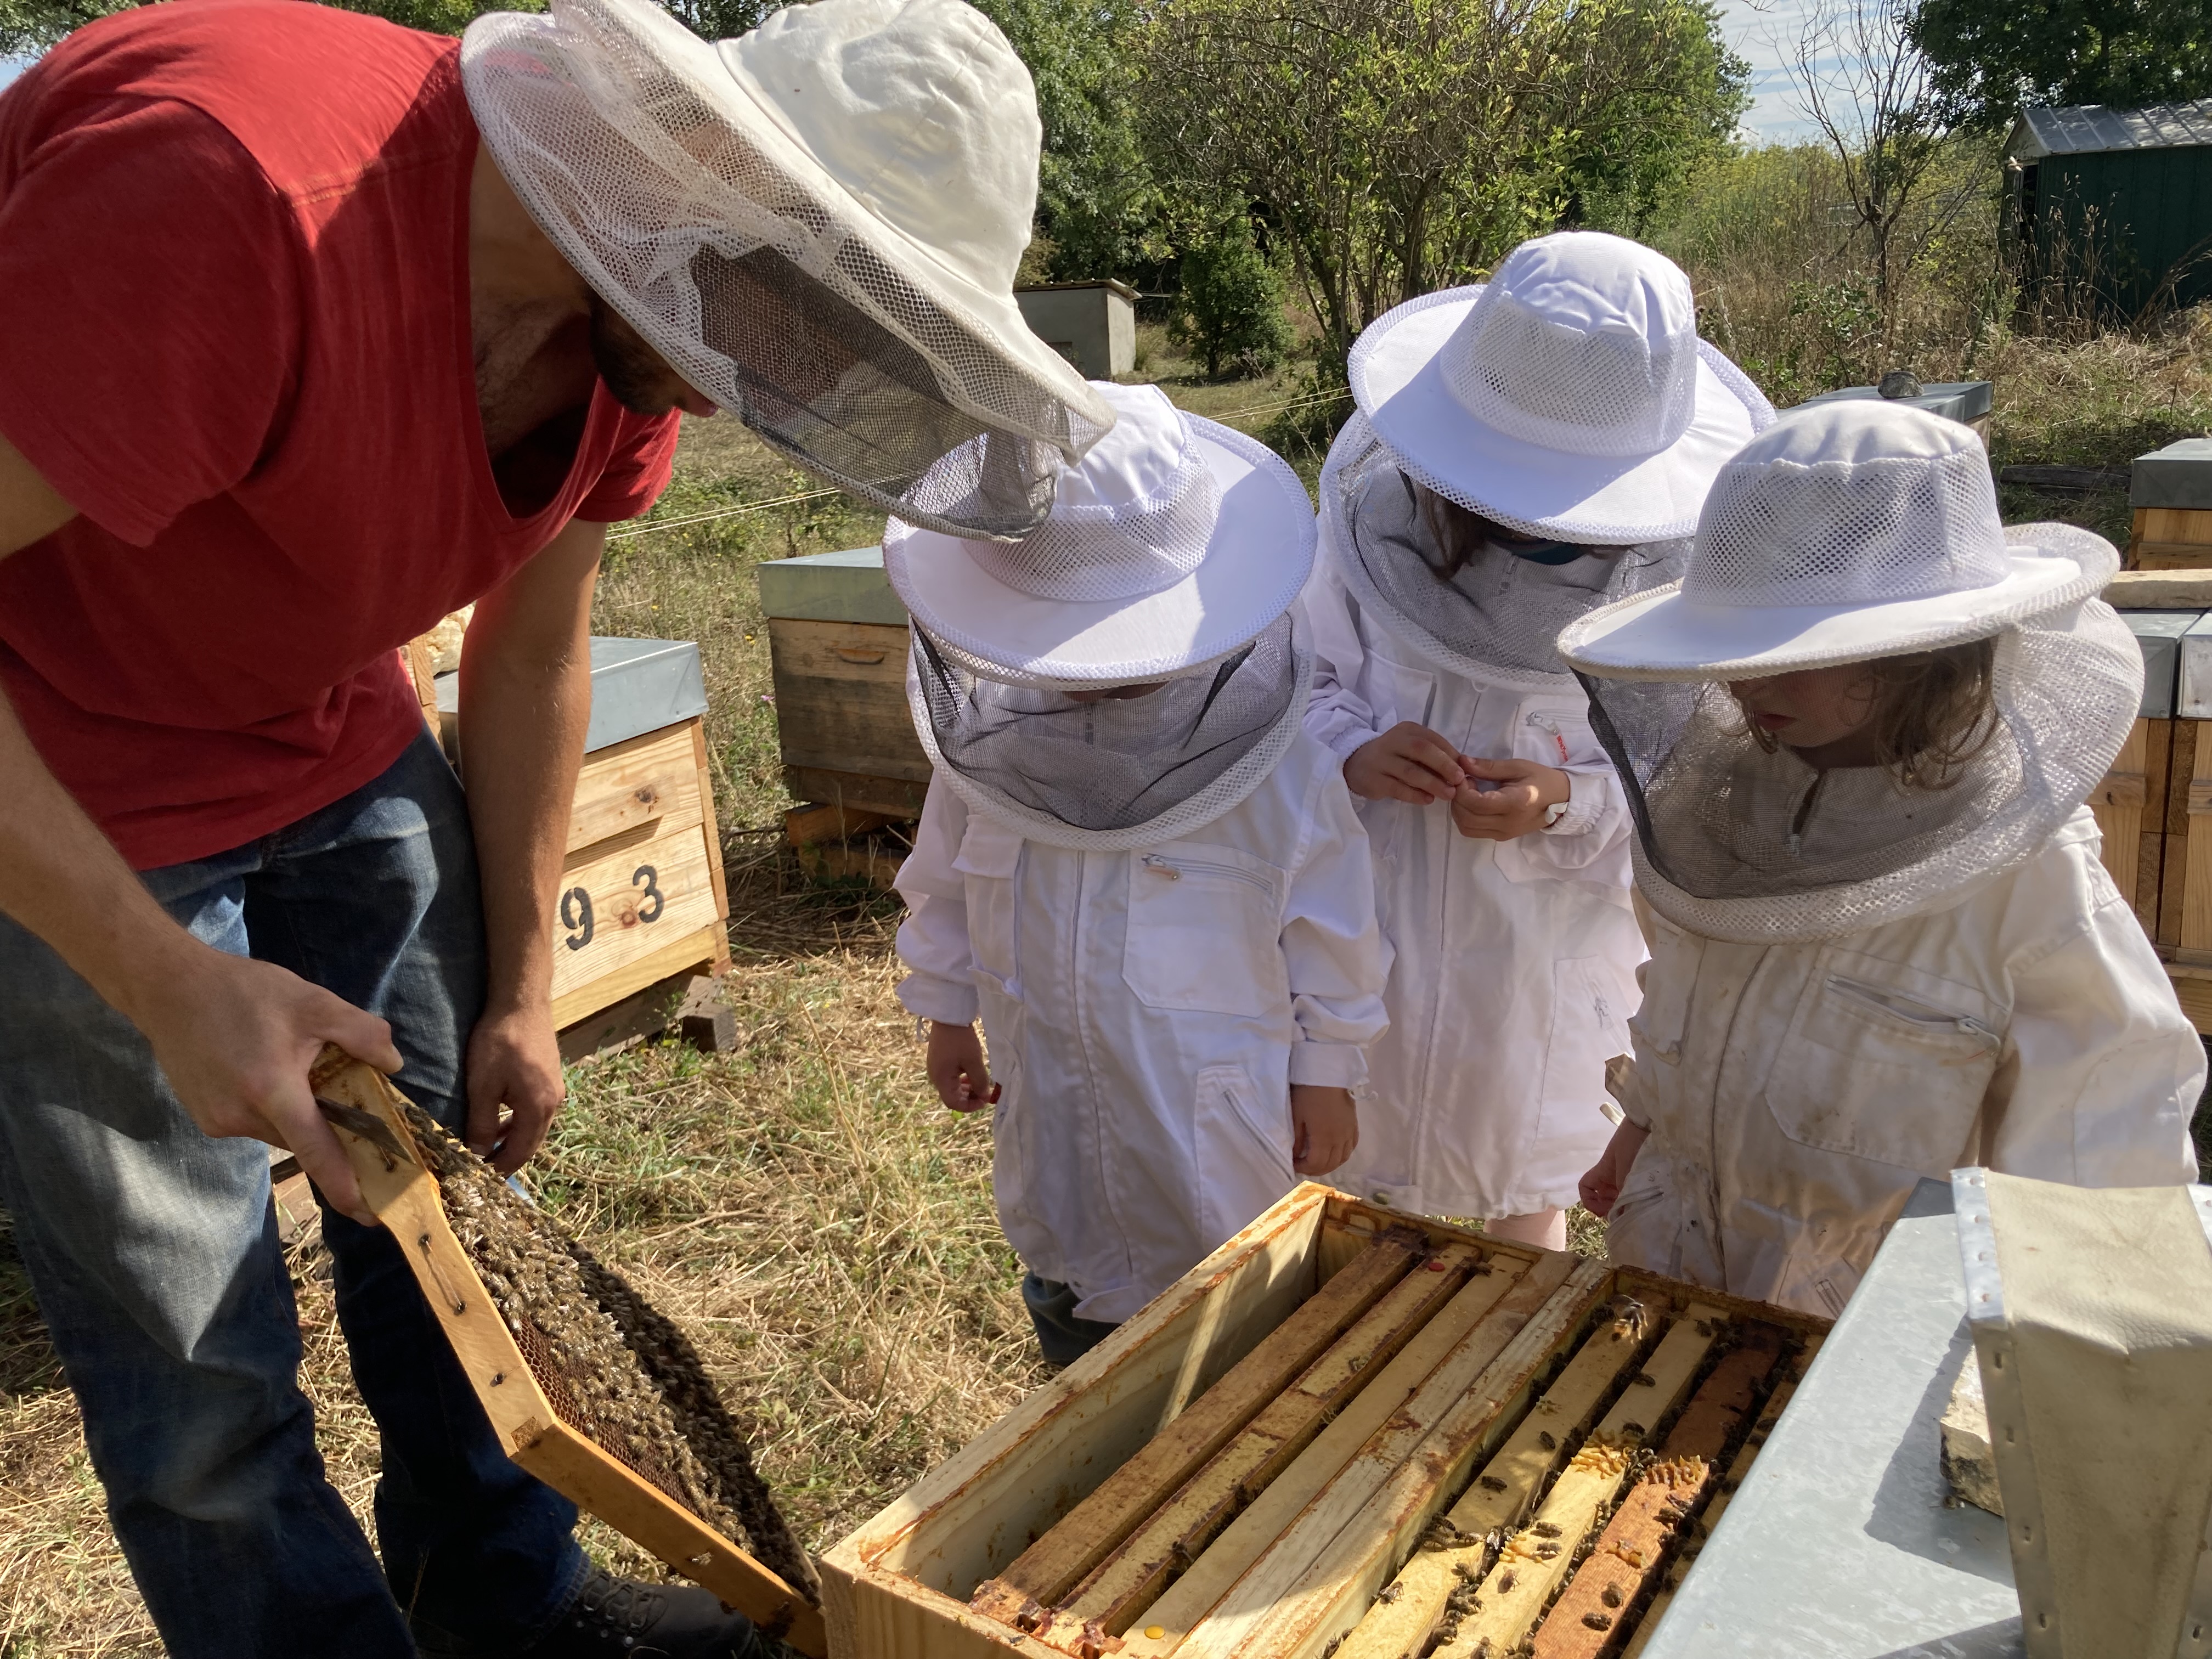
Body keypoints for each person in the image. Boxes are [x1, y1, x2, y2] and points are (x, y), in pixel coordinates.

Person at [0, 0, 1110, 1652]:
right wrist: (164, 980)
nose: (767, 386)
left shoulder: (642, 320)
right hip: (74, 774)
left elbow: (534, 649)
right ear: (698, 185)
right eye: (798, 314)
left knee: (455, 1238)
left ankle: (505, 1607)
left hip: (333, 744)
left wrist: (525, 983)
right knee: (194, 1356)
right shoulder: (238, 196)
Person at [1562, 400, 2203, 1317]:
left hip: (1869, 1341)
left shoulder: (2033, 888)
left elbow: (2102, 1178)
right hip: (1674, 1279)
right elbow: (1687, 998)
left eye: (1799, 651)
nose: (1751, 684)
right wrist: (1643, 1128)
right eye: (1738, 648)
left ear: (1926, 652)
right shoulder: (1722, 813)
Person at [887, 382, 1389, 1364]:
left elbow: (1334, 928)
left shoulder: (1275, 770)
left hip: (1220, 1137)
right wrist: (947, 1004)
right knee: (1078, 1315)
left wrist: (1327, 1071)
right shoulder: (990, 752)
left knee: (1244, 1352)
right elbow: (944, 880)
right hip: (1056, 1110)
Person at [1300, 232, 1775, 1250]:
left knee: (1526, 1184)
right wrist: (1351, 750)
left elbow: (1690, 784)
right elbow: (1298, 684)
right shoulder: (1364, 551)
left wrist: (1564, 800)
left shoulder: (1669, 602)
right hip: (1369, 926)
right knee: (1361, 1197)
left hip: (1549, 956)